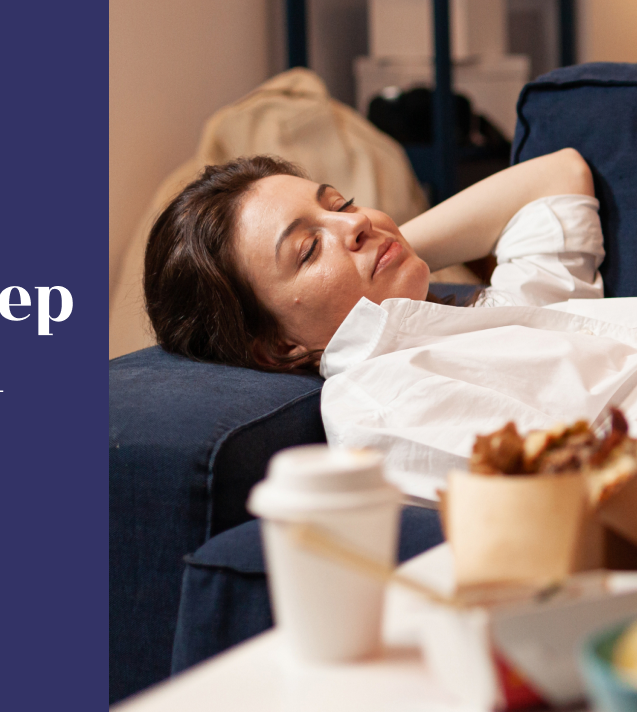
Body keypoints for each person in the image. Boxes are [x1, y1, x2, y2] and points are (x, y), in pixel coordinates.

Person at [144, 149, 637, 504]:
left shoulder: (491, 311)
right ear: (277, 346)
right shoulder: (379, 402)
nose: (354, 224)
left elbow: (559, 176)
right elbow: (570, 506)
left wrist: (391, 249)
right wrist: (371, 267)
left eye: (340, 204)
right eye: (308, 249)